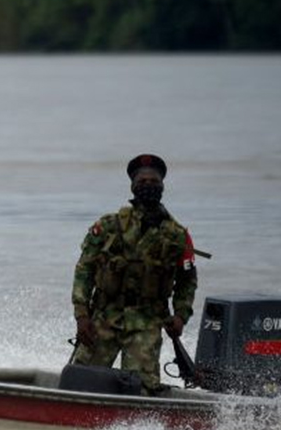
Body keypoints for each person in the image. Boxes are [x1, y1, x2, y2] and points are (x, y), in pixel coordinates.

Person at [71, 153, 199, 394]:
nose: (148, 186)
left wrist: (181, 316)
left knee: (141, 390)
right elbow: (84, 270)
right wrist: (81, 316)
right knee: (81, 382)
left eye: (154, 182)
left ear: (162, 186)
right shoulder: (109, 226)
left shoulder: (178, 235)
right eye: (142, 182)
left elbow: (187, 281)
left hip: (147, 322)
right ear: (132, 186)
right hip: (104, 318)